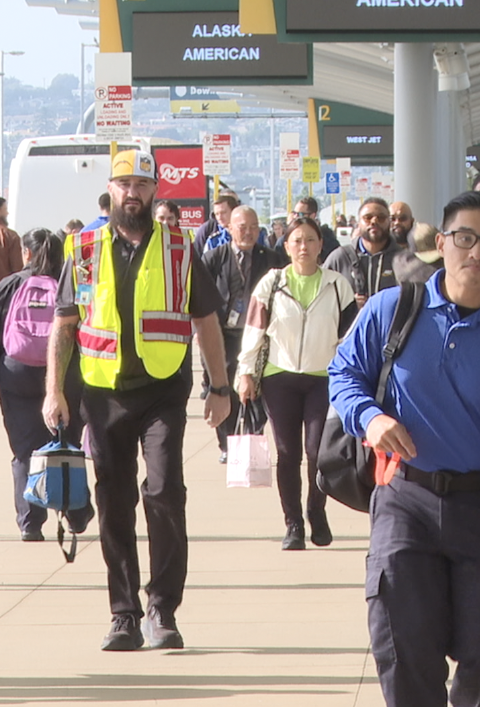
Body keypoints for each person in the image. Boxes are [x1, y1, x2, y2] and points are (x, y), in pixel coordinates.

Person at [329, 190, 480, 707]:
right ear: (443, 244)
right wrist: (372, 417)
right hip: (407, 499)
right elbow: (344, 375)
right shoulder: (394, 308)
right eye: (465, 239)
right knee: (403, 649)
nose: (477, 252)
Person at [43, 149, 230, 652]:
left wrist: (220, 385)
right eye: (124, 183)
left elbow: (206, 319)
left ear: (155, 191)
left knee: (165, 489)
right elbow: (64, 323)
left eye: (142, 184)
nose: (133, 193)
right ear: (110, 188)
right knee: (115, 499)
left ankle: (162, 607)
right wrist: (53, 389)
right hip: (103, 394)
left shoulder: (178, 246)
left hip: (163, 389)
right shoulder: (81, 247)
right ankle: (123, 612)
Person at [235, 217, 356, 550]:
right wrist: (245, 372)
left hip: (323, 379)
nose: (304, 247)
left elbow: (348, 337)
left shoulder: (336, 285)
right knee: (287, 454)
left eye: (310, 241)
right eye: (297, 241)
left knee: (318, 452)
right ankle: (293, 524)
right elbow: (254, 331)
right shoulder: (272, 284)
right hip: (280, 377)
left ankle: (317, 511)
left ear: (321, 246)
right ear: (286, 247)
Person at [0, 228, 92, 541]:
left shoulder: (8, 286)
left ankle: (30, 521)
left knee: (25, 450)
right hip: (66, 374)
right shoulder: (70, 286)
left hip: (17, 374)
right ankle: (76, 512)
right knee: (67, 442)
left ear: (25, 253)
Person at [202, 206, 287, 464]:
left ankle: (253, 435)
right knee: (223, 386)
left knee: (257, 388)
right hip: (223, 334)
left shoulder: (272, 259)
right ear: (230, 229)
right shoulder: (215, 258)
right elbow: (201, 297)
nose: (248, 233)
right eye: (242, 227)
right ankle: (226, 442)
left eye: (253, 228)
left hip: (260, 335)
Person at [323, 197, 401, 308]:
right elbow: (321, 300)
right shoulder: (340, 258)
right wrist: (347, 304)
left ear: (389, 222)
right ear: (359, 223)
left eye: (381, 218)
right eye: (368, 218)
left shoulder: (403, 259)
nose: (374, 221)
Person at [290, 197, 342, 262]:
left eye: (300, 214)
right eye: (294, 213)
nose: (295, 217)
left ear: (312, 215)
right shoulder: (288, 237)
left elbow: (335, 257)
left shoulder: (327, 238)